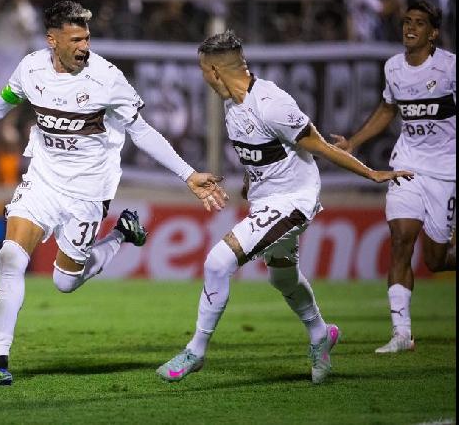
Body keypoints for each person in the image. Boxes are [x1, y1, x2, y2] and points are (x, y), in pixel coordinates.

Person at [0, 0, 229, 386]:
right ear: (52, 40)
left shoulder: (106, 78)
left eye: (87, 38)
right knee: (10, 256)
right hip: (43, 180)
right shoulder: (31, 68)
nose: (84, 46)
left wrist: (188, 174)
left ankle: (121, 235)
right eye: (75, 38)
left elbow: (141, 131)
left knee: (65, 282)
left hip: (88, 191)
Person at [156, 30, 413, 384]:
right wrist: (250, 183)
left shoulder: (272, 103)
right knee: (283, 277)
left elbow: (320, 146)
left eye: (203, 71)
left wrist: (371, 173)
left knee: (218, 261)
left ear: (215, 71)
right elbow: (263, 154)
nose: (203, 79)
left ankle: (196, 350)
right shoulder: (232, 104)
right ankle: (320, 333)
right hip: (266, 202)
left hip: (294, 202)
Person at [331, 0, 456, 353]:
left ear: (433, 33)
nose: (409, 28)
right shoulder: (393, 68)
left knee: (436, 259)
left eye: (419, 23)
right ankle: (402, 334)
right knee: (401, 240)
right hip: (407, 164)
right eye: (406, 22)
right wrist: (352, 143)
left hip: (445, 172)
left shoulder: (449, 68)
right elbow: (388, 108)